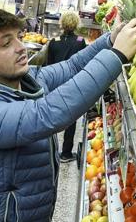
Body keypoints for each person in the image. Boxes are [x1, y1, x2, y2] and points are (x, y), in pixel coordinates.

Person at [0, 8, 136, 221]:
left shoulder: (22, 80)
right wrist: (117, 55)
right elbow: (47, 113)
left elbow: (72, 67)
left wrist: (110, 40)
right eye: (6, 44)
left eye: (19, 38)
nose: (21, 48)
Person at [45, 11, 87, 163]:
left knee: (51, 117)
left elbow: (48, 65)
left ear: (61, 23)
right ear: (76, 24)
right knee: (71, 118)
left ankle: (49, 151)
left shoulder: (54, 41)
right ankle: (66, 153)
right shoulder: (80, 41)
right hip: (73, 83)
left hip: (55, 83)